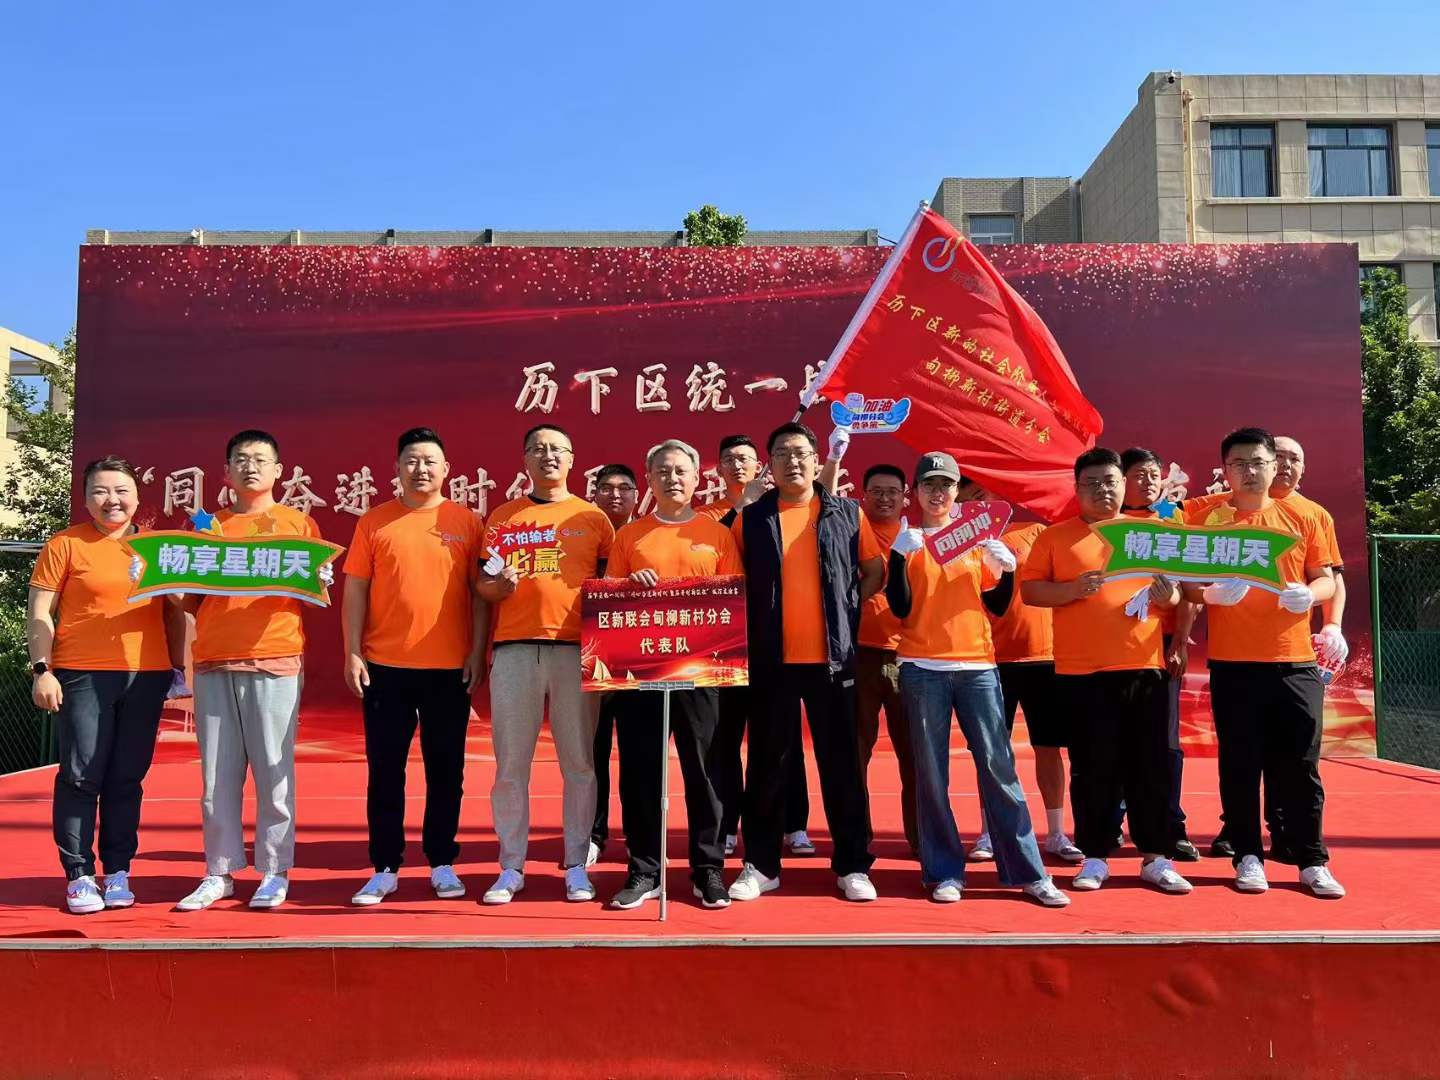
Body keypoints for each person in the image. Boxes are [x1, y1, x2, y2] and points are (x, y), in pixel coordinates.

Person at [885, 454, 1069, 906]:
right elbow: (901, 608)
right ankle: (945, 871)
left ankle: (1027, 870)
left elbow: (998, 605)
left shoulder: (973, 538)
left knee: (998, 767)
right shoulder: (908, 540)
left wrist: (1006, 570)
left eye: (946, 485)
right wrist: (898, 557)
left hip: (978, 667)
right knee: (932, 775)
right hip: (922, 667)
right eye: (929, 485)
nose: (938, 493)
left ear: (957, 492)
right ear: (916, 492)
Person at [1021, 448, 1193, 894]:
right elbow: (1032, 591)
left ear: (1124, 485)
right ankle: (1095, 856)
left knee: (1150, 765)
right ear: (1077, 489)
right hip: (1081, 672)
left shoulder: (1152, 532)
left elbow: (1179, 595)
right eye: (1092, 483)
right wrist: (1071, 590)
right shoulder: (1056, 537)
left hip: (1143, 667)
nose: (1103, 490)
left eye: (1110, 481)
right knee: (1093, 767)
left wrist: (1169, 597)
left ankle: (1156, 856)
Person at [1184, 428, 1344, 898]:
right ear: (1225, 470)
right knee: (1240, 763)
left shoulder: (1306, 516)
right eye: (1239, 464)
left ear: (1274, 467)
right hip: (1234, 663)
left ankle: (1312, 860)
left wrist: (1309, 596)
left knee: (1301, 764)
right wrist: (1208, 594)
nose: (1249, 471)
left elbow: (1326, 579)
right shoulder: (1205, 516)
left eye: (1258, 462)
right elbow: (1185, 582)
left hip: (1294, 661)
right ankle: (1248, 856)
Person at [176, 430, 329, 912]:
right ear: (226, 472)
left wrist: (319, 579)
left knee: (273, 773)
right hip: (214, 660)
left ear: (279, 471)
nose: (251, 467)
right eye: (241, 459)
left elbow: (313, 594)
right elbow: (189, 600)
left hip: (275, 658)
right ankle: (218, 872)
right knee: (216, 778)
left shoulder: (297, 524)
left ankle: (274, 870)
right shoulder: (208, 527)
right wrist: (164, 581)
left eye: (261, 459)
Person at [726, 422, 878, 902]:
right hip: (771, 661)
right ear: (768, 465)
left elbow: (873, 571)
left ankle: (853, 865)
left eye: (800, 453)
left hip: (833, 662)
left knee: (842, 765)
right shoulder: (750, 518)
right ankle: (761, 865)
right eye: (782, 454)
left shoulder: (847, 513)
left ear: (817, 460)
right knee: (767, 765)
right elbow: (731, 583)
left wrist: (845, 608)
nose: (792, 461)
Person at [28, 457, 183, 914]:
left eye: (121, 491)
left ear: (136, 497)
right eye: (100, 491)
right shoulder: (66, 544)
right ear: (86, 498)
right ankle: (79, 875)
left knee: (127, 777)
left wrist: (177, 668)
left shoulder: (156, 548)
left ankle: (118, 871)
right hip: (81, 673)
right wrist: (42, 669)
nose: (111, 500)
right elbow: (40, 612)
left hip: (146, 676)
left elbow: (177, 612)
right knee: (80, 775)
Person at [344, 428, 487, 906]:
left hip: (449, 669)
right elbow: (356, 589)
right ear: (397, 468)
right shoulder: (375, 522)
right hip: (385, 667)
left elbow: (480, 594)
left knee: (446, 771)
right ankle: (384, 867)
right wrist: (352, 650)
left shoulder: (466, 522)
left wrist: (477, 651)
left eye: (429, 461)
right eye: (411, 460)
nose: (420, 469)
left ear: (446, 470)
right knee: (385, 770)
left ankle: (442, 861)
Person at [477, 424, 614, 904]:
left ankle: (576, 864)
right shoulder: (503, 518)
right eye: (537, 449)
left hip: (575, 650)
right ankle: (511, 866)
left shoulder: (593, 518)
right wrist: (500, 587)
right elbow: (483, 585)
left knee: (579, 762)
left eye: (557, 449)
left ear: (573, 459)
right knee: (511, 765)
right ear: (525, 460)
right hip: (515, 649)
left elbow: (610, 586)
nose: (548, 456)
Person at [604, 439, 741, 909]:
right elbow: (609, 602)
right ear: (649, 479)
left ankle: (708, 869)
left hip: (702, 671)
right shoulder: (631, 536)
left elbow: (732, 600)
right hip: (642, 671)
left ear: (697, 478)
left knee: (706, 771)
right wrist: (628, 587)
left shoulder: (717, 534)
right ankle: (645, 870)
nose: (672, 478)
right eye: (663, 471)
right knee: (641, 771)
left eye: (681, 470)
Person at [704, 433, 811, 857]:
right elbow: (714, 557)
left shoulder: (777, 507)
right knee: (726, 737)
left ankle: (794, 823)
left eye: (745, 459)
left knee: (783, 736)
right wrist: (740, 508)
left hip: (774, 639)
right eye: (729, 459)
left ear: (759, 466)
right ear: (718, 468)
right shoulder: (710, 516)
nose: (737, 465)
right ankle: (728, 823)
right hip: (726, 644)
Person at [1119, 447, 1200, 862]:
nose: (1149, 481)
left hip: (1160, 645)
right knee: (1113, 740)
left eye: (1154, 474)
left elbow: (1190, 588)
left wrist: (1179, 641)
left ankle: (1171, 827)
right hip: (1111, 648)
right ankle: (1109, 823)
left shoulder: (1173, 518)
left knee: (1164, 744)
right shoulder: (1106, 521)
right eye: (1139, 474)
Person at [853, 463, 920, 856]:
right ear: (863, 496)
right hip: (858, 654)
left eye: (892, 491)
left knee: (914, 755)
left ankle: (922, 840)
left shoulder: (918, 539)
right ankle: (857, 841)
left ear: (905, 497)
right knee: (855, 753)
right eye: (876, 491)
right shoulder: (852, 531)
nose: (884, 498)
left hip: (907, 655)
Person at [587, 463, 639, 865]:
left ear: (638, 495)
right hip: (593, 661)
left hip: (642, 661)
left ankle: (640, 835)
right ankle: (593, 833)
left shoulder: (647, 535)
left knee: (639, 755)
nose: (615, 495)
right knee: (593, 752)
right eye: (606, 488)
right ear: (594, 494)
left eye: (624, 488)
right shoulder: (582, 538)